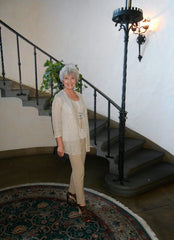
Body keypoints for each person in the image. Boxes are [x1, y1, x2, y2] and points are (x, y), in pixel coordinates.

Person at [52, 64, 91, 222]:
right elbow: (56, 123)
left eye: (72, 78)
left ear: (76, 80)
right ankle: (82, 206)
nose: (70, 81)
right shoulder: (59, 98)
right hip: (70, 139)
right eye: (66, 78)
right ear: (62, 80)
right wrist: (60, 144)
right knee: (80, 172)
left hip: (82, 137)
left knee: (77, 170)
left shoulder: (79, 96)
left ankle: (70, 193)